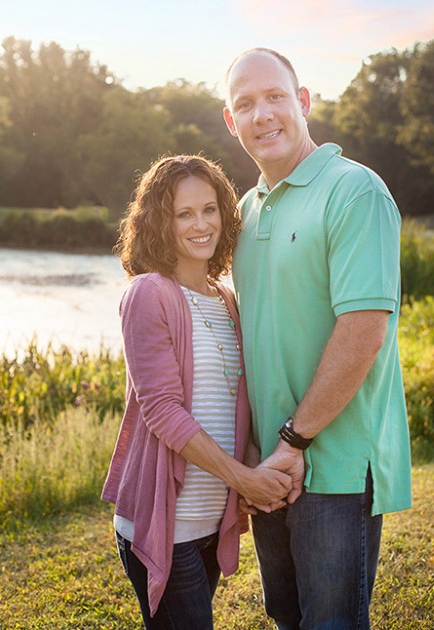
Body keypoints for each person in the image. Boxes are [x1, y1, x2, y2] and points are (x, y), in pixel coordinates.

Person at [222, 47, 412, 630]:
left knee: (330, 622)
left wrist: (295, 441)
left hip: (332, 465)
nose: (263, 115)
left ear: (303, 101)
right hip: (270, 469)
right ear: (231, 123)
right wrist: (258, 452)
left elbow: (363, 332)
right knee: (286, 614)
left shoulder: (355, 191)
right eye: (245, 104)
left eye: (275, 96)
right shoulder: (245, 212)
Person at [102, 154, 293, 628]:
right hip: (165, 528)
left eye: (209, 209)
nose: (200, 224)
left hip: (208, 523)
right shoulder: (149, 293)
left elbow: (233, 404)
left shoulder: (225, 297)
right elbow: (163, 412)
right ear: (158, 222)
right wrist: (242, 479)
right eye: (183, 213)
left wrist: (252, 464)